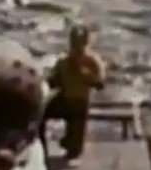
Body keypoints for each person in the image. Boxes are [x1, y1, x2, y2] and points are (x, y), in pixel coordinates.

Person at [40, 26, 105, 161]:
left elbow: (100, 84)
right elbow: (53, 81)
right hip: (64, 100)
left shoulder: (92, 61)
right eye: (74, 42)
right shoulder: (64, 60)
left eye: (79, 43)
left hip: (79, 103)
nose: (76, 47)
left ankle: (71, 143)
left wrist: (83, 74)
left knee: (74, 151)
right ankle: (41, 148)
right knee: (39, 114)